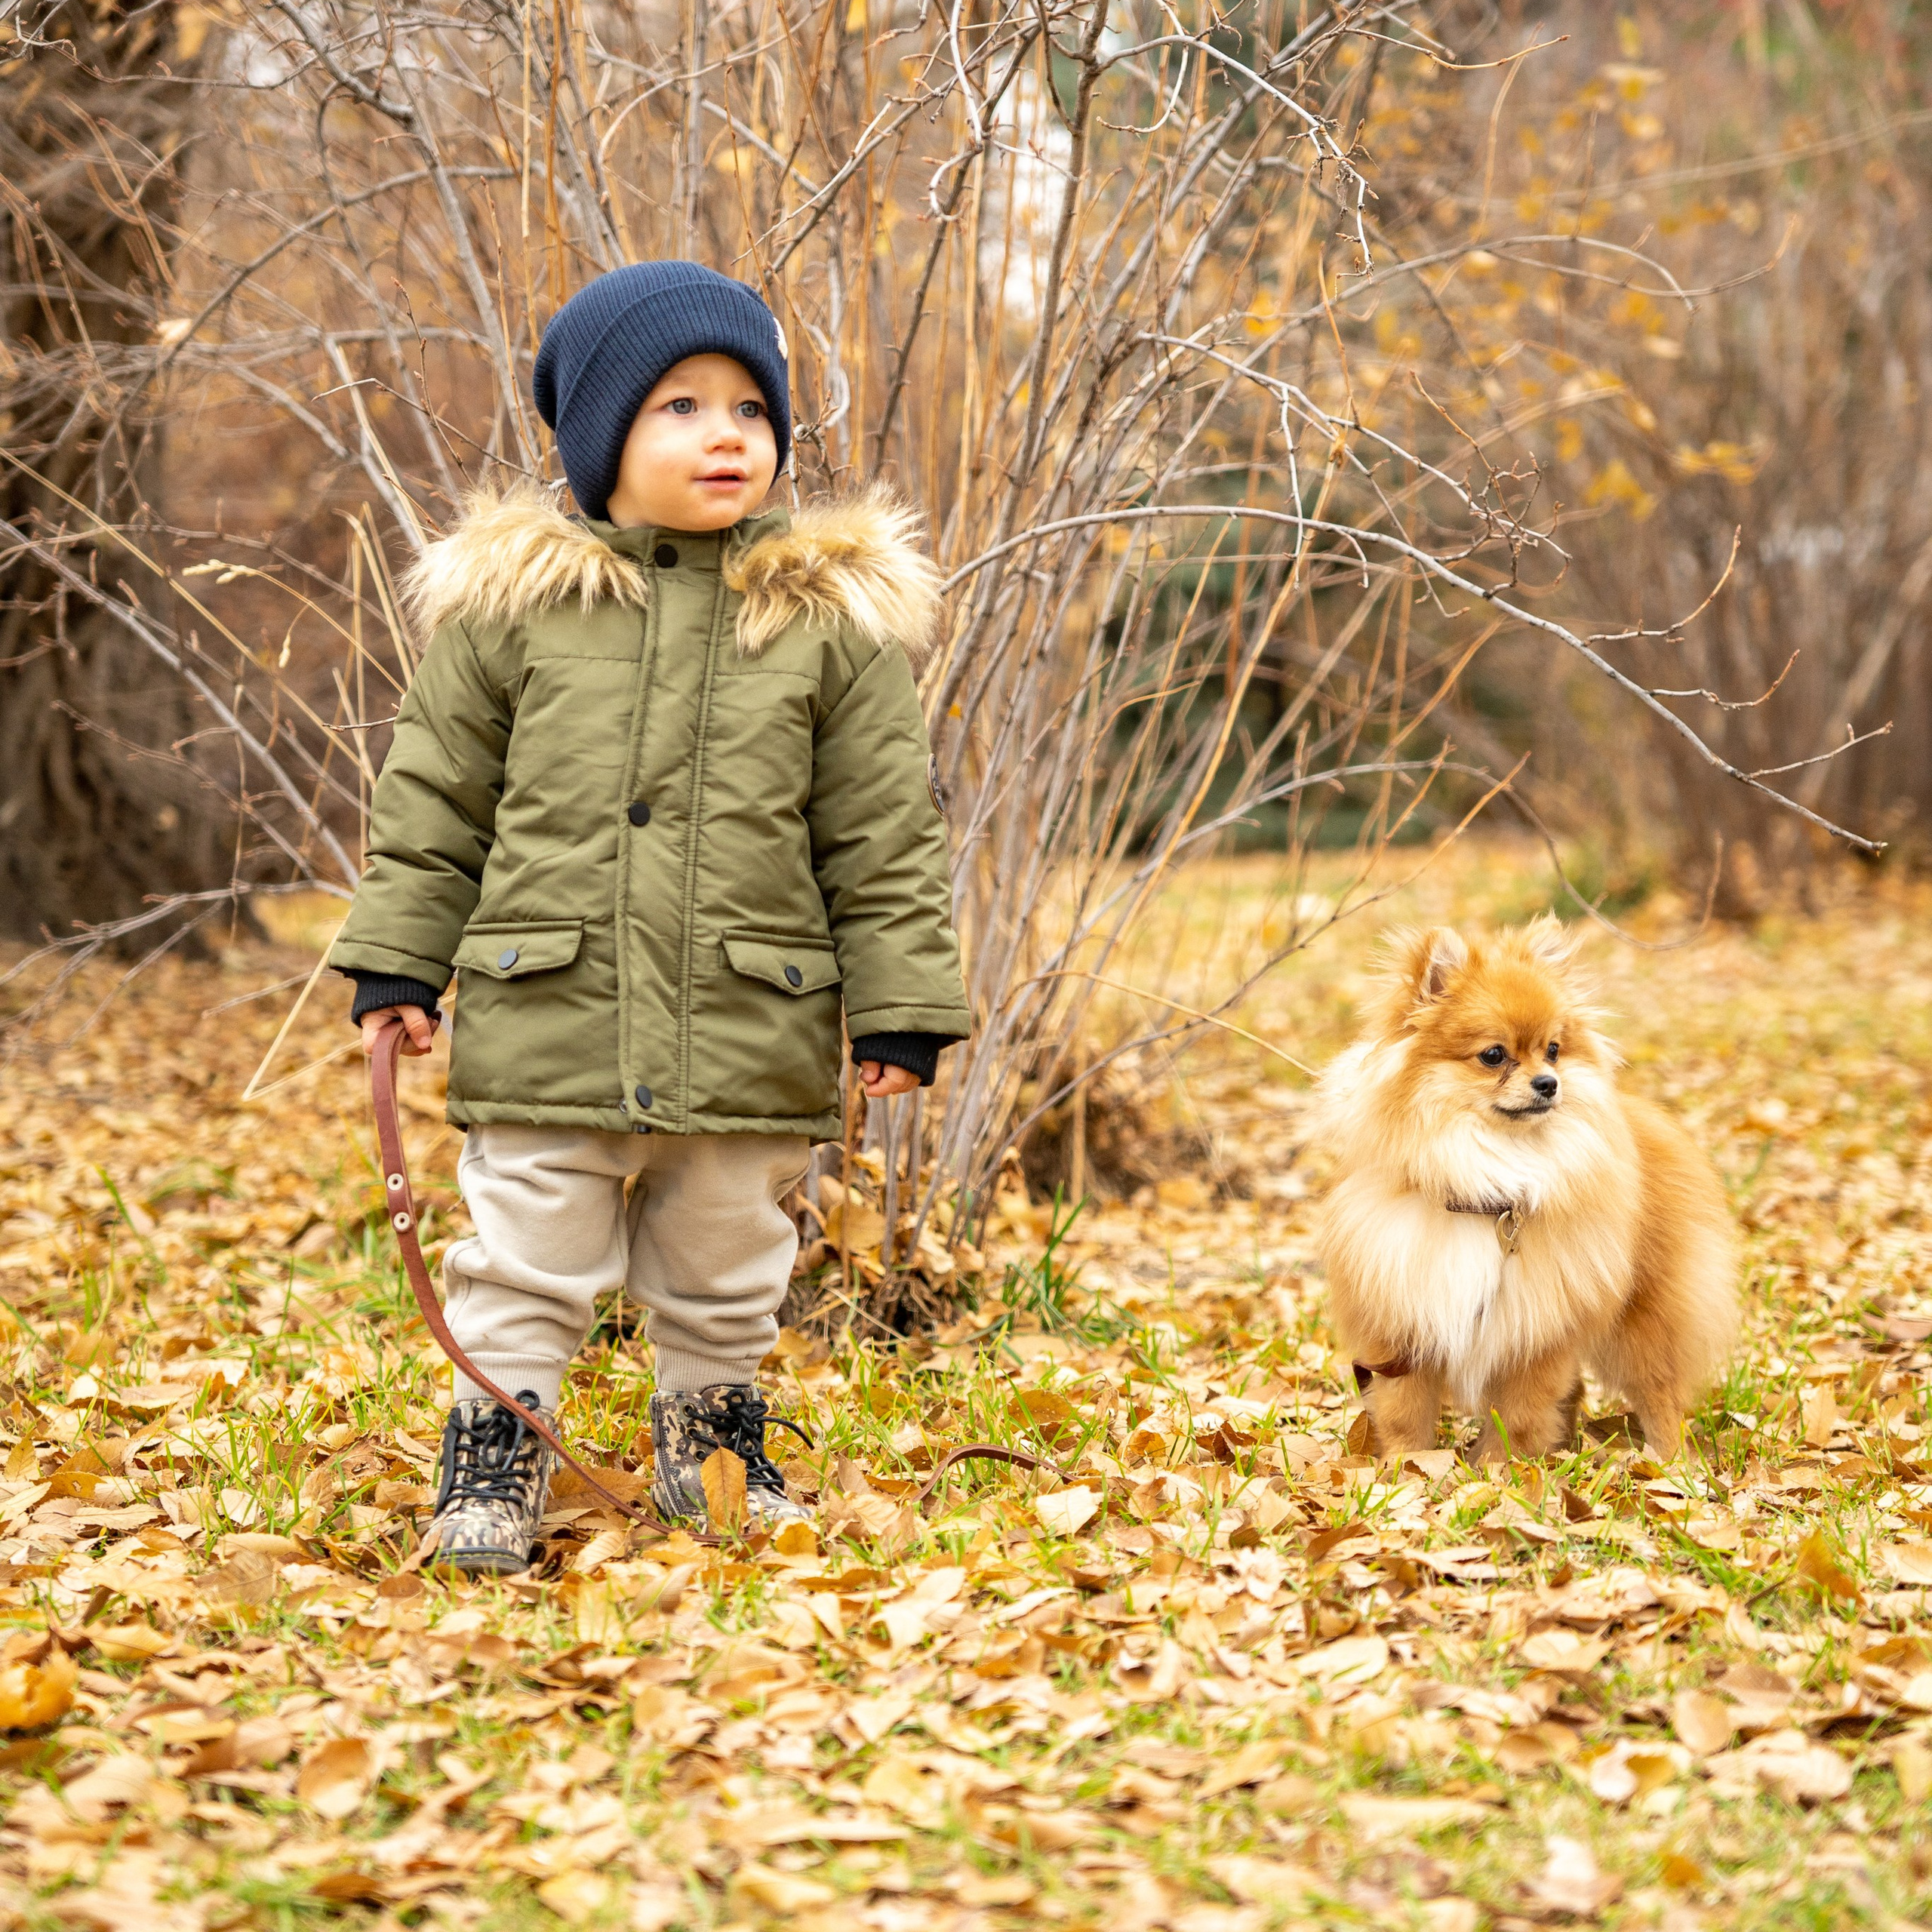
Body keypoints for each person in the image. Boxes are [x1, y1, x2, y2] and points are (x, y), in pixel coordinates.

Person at [326, 260, 970, 1573]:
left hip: (750, 1014)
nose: (726, 433)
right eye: (679, 406)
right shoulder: (518, 615)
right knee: (527, 1250)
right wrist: (399, 958)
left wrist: (901, 1004)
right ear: (602, 437)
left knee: (730, 1253)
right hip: (547, 1006)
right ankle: (493, 1460)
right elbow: (435, 800)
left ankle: (712, 1442)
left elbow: (882, 834)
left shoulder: (822, 630)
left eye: (749, 406)